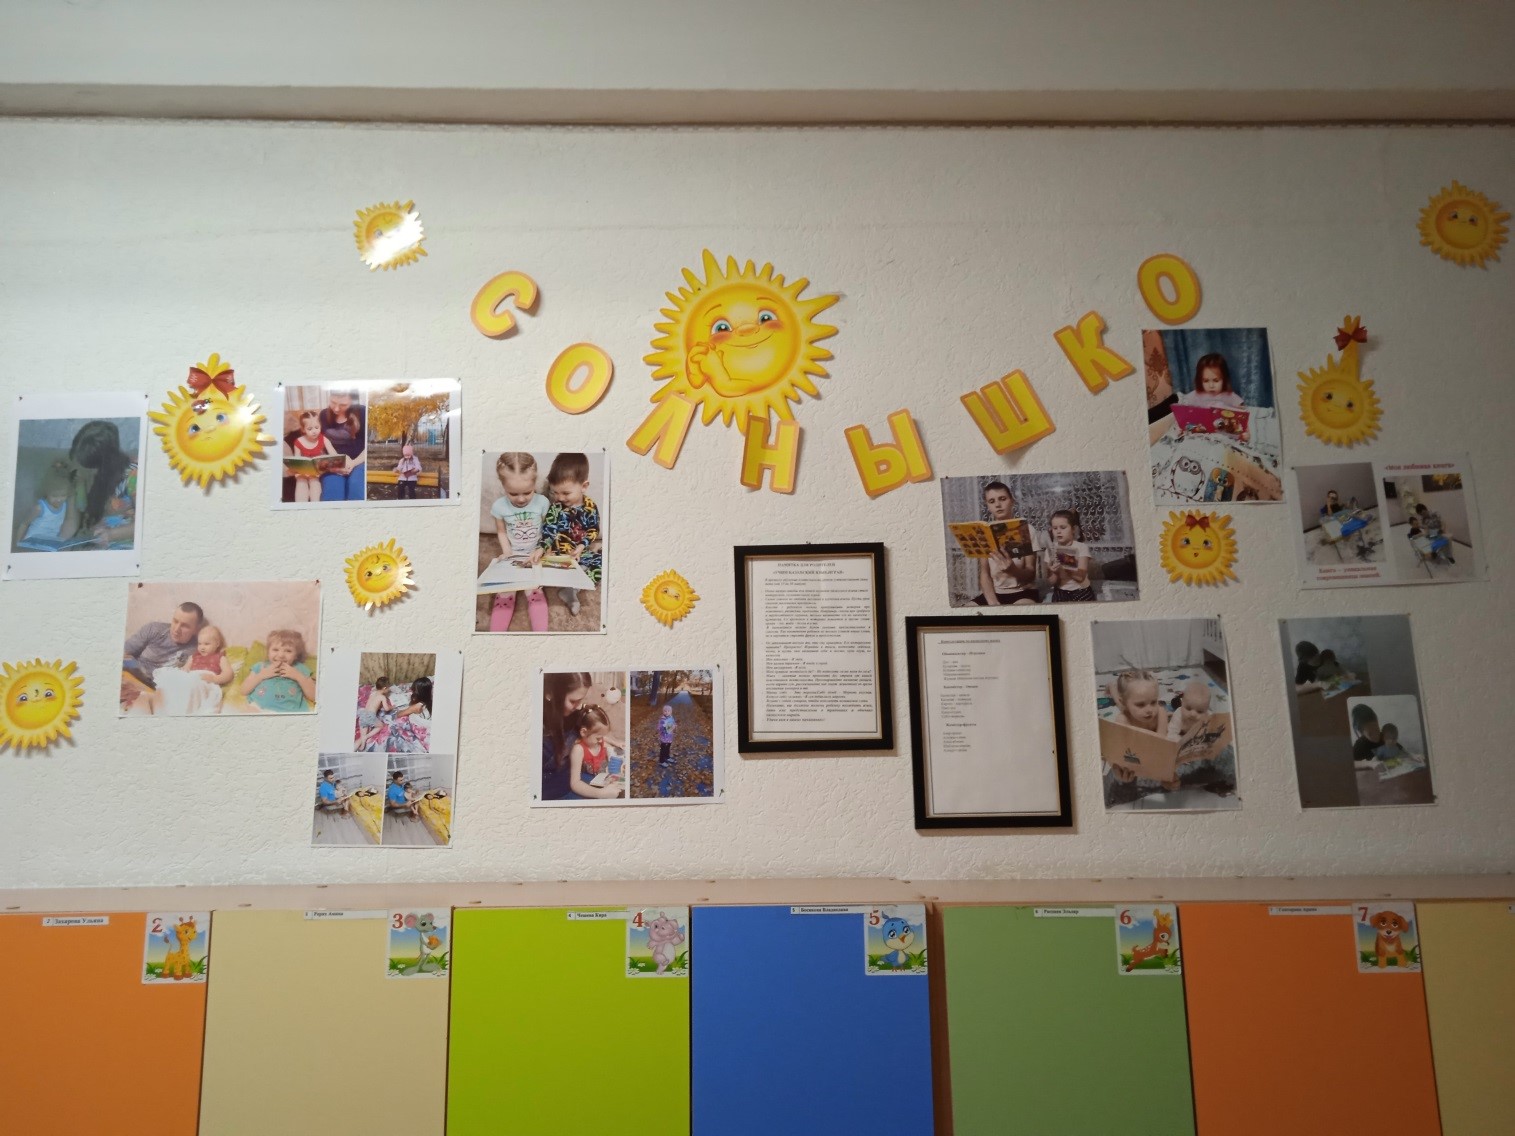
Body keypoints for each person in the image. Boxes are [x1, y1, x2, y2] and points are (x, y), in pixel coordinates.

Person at [534, 452, 602, 618]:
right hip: (557, 554)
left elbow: (593, 529)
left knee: (602, 563)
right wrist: (542, 548)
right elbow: (548, 530)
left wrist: (582, 546)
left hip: (577, 553)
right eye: (555, 492)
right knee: (537, 567)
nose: (559, 498)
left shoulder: (590, 507)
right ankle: (567, 580)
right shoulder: (556, 507)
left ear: (584, 486)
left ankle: (572, 590)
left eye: (565, 493)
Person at [489, 452, 550, 632]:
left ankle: (541, 636)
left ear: (534, 483)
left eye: (527, 492)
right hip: (512, 555)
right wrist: (507, 552)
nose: (521, 499)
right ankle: (494, 639)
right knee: (504, 594)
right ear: (503, 485)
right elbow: (501, 531)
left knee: (535, 592)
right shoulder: (499, 506)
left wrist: (544, 550)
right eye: (513, 493)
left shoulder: (543, 502)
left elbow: (547, 529)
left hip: (535, 555)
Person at [69, 419, 137, 544]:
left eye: (93, 467)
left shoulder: (134, 474)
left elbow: (146, 522)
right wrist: (80, 484)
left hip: (127, 547)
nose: (92, 473)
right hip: (100, 544)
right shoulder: (99, 475)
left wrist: (111, 535)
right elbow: (85, 511)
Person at [973, 480, 1039, 606]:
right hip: (995, 593)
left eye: (1002, 499)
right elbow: (985, 573)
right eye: (992, 501)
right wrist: (993, 602)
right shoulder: (984, 533)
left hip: (1023, 592)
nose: (998, 505)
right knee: (968, 611)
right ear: (988, 506)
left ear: (1012, 501)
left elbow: (1031, 574)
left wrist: (1012, 570)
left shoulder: (1026, 529)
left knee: (1018, 611)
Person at [123, 601, 205, 702]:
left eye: (185, 626)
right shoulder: (154, 629)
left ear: (196, 629)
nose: (176, 629)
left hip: (154, 692)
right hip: (132, 676)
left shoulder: (198, 649)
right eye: (175, 621)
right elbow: (124, 652)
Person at [541, 672, 593, 800]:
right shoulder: (538, 728)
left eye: (581, 700)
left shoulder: (575, 713)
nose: (579, 706)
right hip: (552, 792)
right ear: (549, 694)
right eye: (573, 701)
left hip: (573, 777)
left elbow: (590, 731)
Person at [239, 629, 316, 712]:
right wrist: (261, 675)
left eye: (288, 651)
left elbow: (314, 696)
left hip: (289, 712)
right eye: (275, 650)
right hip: (257, 708)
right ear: (268, 652)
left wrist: (298, 676)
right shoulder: (261, 666)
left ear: (295, 655)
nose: (281, 655)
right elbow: (243, 690)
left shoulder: (300, 669)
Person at [561, 704, 624, 800]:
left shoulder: (599, 740)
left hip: (601, 776)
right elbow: (575, 783)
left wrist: (616, 742)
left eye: (602, 737)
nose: (601, 740)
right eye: (598, 738)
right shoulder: (578, 750)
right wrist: (600, 794)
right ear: (583, 732)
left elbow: (604, 738)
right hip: (587, 781)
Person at [317, 390, 366, 501]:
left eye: (343, 405)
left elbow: (368, 446)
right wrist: (337, 461)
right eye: (333, 402)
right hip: (333, 463)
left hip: (359, 461)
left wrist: (353, 463)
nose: (336, 409)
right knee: (333, 490)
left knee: (356, 487)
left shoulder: (363, 412)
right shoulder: (324, 415)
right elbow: (324, 441)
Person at [15, 465, 76, 549]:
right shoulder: (39, 508)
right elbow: (24, 524)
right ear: (47, 493)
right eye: (54, 496)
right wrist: (18, 543)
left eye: (63, 495)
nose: (59, 500)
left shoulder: (65, 505)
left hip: (50, 543)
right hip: (33, 543)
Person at [285, 410, 338, 502]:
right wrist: (298, 472)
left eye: (317, 427)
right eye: (310, 429)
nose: (314, 431)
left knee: (314, 482)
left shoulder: (323, 439)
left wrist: (333, 463)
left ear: (320, 425)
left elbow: (334, 455)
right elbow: (297, 460)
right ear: (303, 429)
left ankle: (315, 505)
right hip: (303, 470)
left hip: (318, 471)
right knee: (301, 481)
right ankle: (301, 507)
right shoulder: (298, 442)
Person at [1045, 509, 1095, 602]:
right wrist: (1054, 572)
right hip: (1061, 591)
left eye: (1063, 527)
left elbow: (1080, 578)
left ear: (1073, 529)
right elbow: (1051, 582)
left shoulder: (1081, 547)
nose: (1058, 531)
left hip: (1082, 590)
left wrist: (1065, 566)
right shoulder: (1051, 550)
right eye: (1055, 528)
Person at [1179, 353, 1244, 408]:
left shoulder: (1229, 395)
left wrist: (1239, 408)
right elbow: (1183, 404)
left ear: (1224, 380)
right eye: (1206, 381)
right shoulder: (1196, 394)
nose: (1211, 386)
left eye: (1216, 381)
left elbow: (1241, 408)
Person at [357, 675, 394, 750]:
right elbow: (386, 709)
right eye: (388, 688)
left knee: (363, 731)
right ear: (384, 688)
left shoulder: (373, 693)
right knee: (381, 726)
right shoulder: (382, 697)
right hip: (370, 716)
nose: (389, 689)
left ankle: (362, 744)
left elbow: (374, 703)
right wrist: (392, 707)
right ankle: (366, 737)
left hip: (363, 715)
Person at [1350, 703, 1383, 770]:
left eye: (1377, 730)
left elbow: (1400, 750)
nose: (1376, 736)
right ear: (1362, 733)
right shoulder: (1360, 745)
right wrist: (1370, 763)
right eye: (1370, 734)